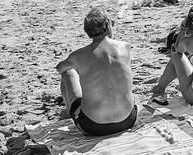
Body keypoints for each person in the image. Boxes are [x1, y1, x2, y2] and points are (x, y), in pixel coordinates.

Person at [54, 8, 137, 136]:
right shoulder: (125, 47)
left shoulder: (78, 55)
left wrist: (79, 66)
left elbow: (60, 68)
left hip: (93, 126)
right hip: (128, 120)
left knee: (68, 72)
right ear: (108, 25)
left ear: (87, 31)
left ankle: (70, 110)